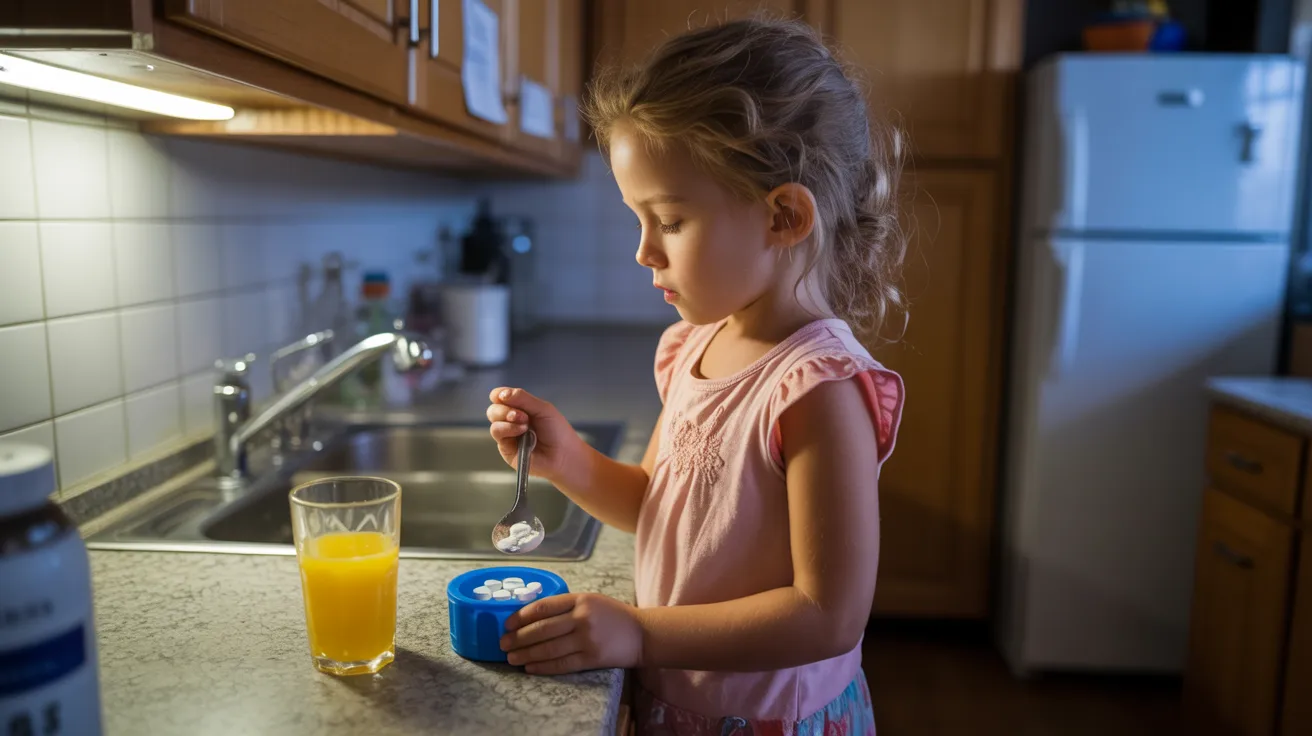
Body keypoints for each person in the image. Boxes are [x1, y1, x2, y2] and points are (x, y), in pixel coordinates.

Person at [485, 16, 907, 735]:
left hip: (768, 721)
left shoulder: (819, 389)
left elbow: (827, 615)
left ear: (783, 216)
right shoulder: (693, 348)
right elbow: (657, 506)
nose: (644, 252)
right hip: (679, 705)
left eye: (671, 222)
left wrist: (640, 633)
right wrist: (568, 462)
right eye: (639, 220)